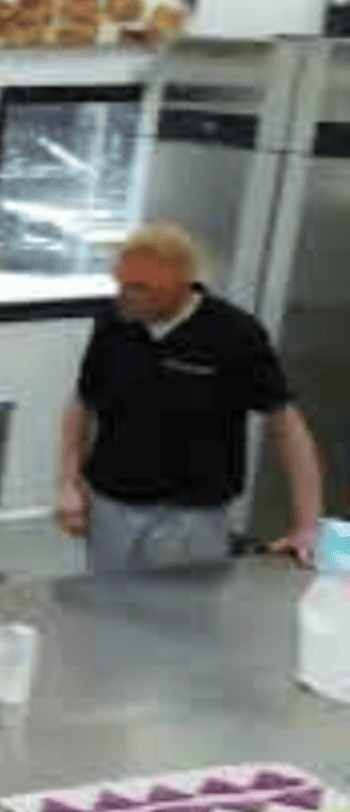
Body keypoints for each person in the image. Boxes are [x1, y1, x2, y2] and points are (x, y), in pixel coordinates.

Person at [58, 221, 324, 571]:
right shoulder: (113, 321)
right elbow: (82, 403)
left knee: (180, 621)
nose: (126, 296)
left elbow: (287, 426)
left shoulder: (234, 334)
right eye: (122, 284)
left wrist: (307, 526)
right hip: (112, 506)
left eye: (141, 288)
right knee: (106, 614)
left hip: (192, 517)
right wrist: (69, 483)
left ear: (182, 284)